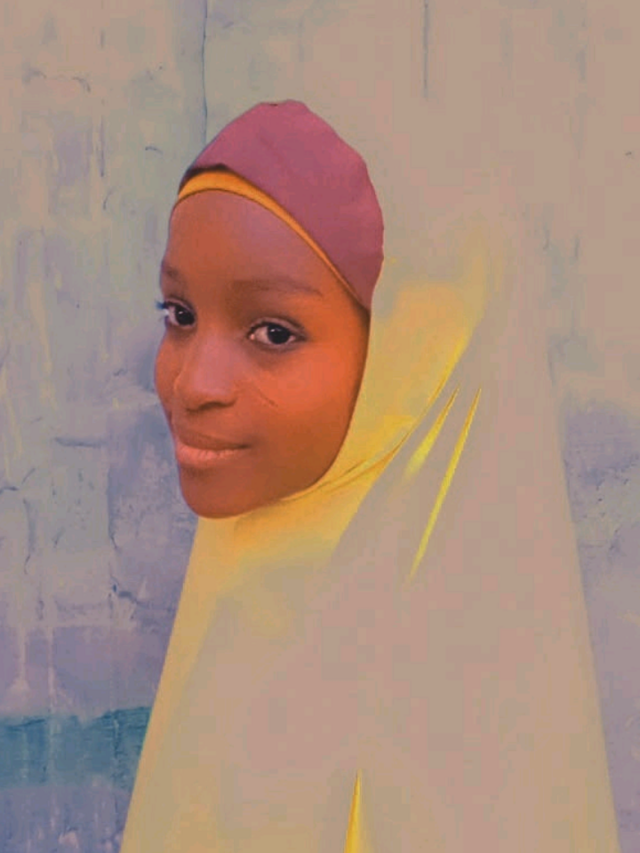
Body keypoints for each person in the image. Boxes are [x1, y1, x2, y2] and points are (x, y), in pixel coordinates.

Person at [120, 101, 620, 852]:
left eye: (272, 332)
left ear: (410, 351)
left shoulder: (462, 701)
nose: (193, 383)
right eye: (180, 314)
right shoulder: (241, 577)